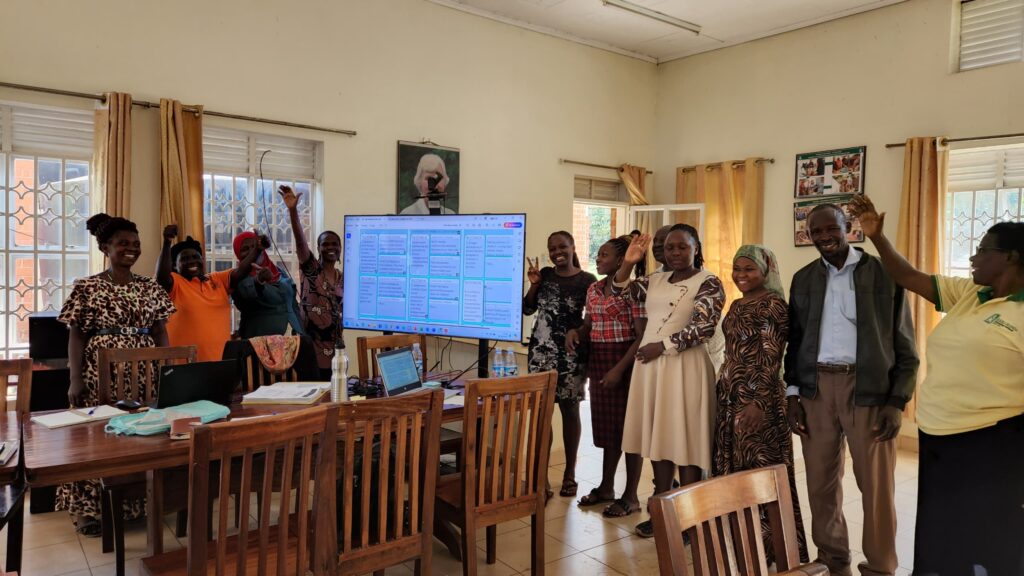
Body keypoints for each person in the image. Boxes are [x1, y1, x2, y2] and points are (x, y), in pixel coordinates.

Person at [850, 196, 1024, 576]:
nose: (973, 257)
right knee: (939, 533)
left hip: (990, 444)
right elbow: (908, 276)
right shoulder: (971, 293)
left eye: (983, 250)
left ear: (1011, 257)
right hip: (938, 437)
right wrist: (877, 237)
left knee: (985, 539)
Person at [784, 203, 918, 576]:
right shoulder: (804, 279)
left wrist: (896, 402)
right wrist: (792, 393)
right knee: (820, 484)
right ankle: (833, 560)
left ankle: (880, 567)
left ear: (849, 228)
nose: (824, 237)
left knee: (876, 488)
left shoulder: (883, 273)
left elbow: (906, 345)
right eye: (816, 231)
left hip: (869, 390)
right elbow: (795, 341)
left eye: (832, 228)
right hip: (815, 390)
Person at [56, 213, 176, 535]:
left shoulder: (150, 287)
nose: (131, 248)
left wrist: (167, 369)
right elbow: (77, 335)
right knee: (94, 438)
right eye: (123, 243)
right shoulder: (87, 287)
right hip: (99, 372)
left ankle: (136, 505)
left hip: (144, 372)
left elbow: (160, 331)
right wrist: (75, 378)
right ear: (105, 247)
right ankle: (89, 511)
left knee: (142, 436)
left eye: (136, 243)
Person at [613, 224, 725, 538]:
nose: (674, 252)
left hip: (685, 367)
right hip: (652, 370)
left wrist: (661, 346)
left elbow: (704, 327)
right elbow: (619, 291)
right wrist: (628, 262)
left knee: (687, 441)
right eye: (669, 247)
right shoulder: (655, 280)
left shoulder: (709, 282)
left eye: (682, 247)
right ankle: (662, 514)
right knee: (659, 439)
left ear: (696, 248)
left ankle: (689, 520)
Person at [713, 245, 808, 564]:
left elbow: (771, 358)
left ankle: (776, 551)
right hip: (730, 400)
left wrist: (756, 403)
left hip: (758, 402)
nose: (741, 275)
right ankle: (747, 549)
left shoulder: (774, 305)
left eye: (749, 269)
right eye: (737, 268)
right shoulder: (738, 303)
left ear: (766, 271)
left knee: (763, 477)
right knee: (738, 476)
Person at [566, 237, 644, 517]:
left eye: (604, 255)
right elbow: (589, 324)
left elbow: (642, 335)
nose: (598, 259)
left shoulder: (635, 289)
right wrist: (576, 332)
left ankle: (631, 496)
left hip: (625, 361)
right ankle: (606, 487)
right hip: (599, 360)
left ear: (622, 260)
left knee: (630, 431)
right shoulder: (594, 288)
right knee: (609, 430)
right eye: (598, 254)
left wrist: (619, 369)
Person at [523, 231, 596, 498]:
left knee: (570, 412)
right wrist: (534, 284)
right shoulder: (544, 275)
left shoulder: (587, 280)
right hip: (540, 354)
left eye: (562, 247)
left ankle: (569, 474)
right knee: (542, 415)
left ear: (573, 247)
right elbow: (528, 309)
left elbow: (591, 320)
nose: (557, 252)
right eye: (552, 248)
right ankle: (540, 478)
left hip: (571, 354)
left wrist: (578, 334)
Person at [156, 224, 259, 362]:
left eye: (195, 257)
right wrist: (167, 243)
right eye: (185, 259)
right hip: (184, 365)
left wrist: (257, 250)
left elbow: (241, 271)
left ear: (202, 260)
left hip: (220, 363)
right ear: (175, 265)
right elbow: (161, 278)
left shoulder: (217, 279)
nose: (192, 261)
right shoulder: (175, 282)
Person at [279, 185, 344, 379]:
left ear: (340, 249)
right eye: (325, 244)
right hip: (309, 349)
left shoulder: (343, 278)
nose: (330, 247)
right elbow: (300, 242)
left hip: (336, 351)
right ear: (318, 248)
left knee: (335, 393)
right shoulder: (311, 269)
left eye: (334, 244)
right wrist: (293, 211)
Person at [231, 231, 304, 338]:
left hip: (293, 339)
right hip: (262, 343)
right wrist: (259, 280)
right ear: (238, 254)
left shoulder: (278, 271)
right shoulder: (238, 277)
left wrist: (302, 333)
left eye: (255, 246)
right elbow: (248, 296)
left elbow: (293, 306)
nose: (252, 251)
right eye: (245, 249)